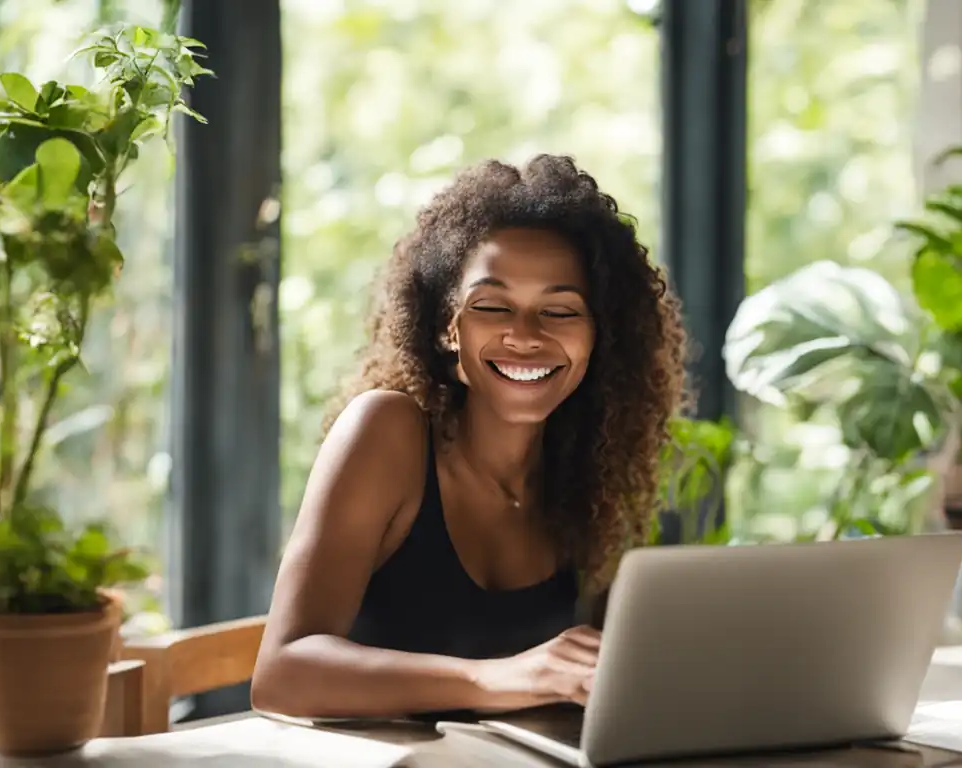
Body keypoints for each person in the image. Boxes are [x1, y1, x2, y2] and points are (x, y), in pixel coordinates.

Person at [250, 155, 688, 719]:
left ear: (597, 340)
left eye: (559, 310)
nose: (524, 336)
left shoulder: (587, 471)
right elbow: (282, 675)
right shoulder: (387, 432)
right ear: (446, 327)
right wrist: (497, 679)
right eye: (491, 305)